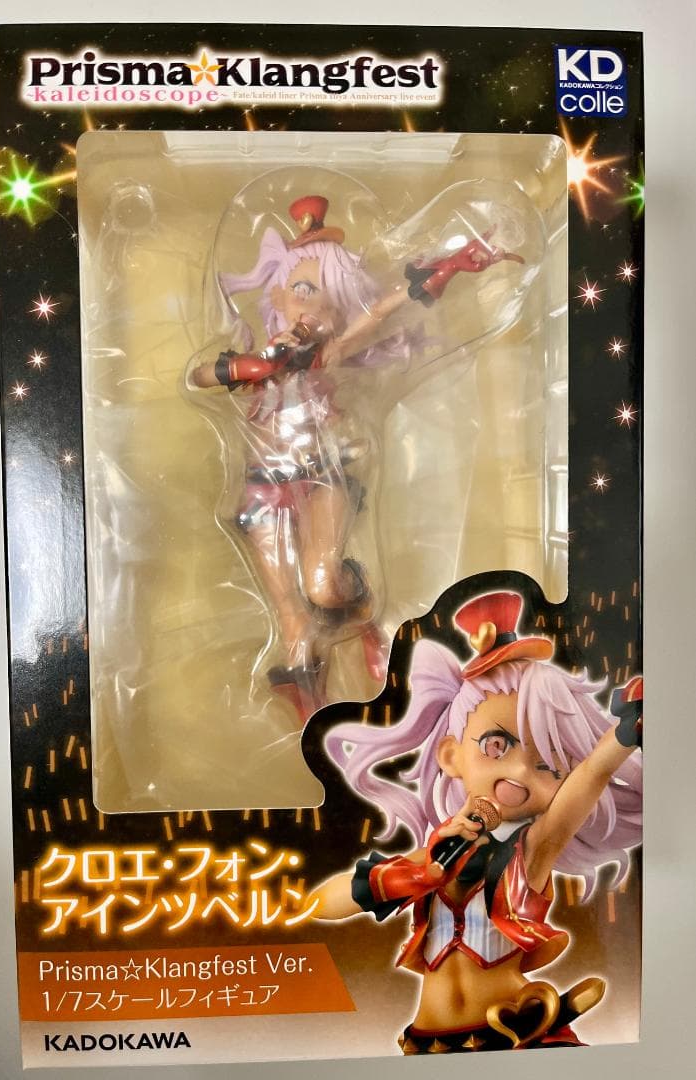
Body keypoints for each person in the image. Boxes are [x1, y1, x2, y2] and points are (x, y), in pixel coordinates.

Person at [187, 195, 520, 721]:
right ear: (277, 293)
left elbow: (383, 309)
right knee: (293, 620)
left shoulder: (325, 354)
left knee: (323, 585)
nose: (312, 309)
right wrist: (244, 368)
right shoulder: (257, 355)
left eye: (327, 299)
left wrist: (451, 265)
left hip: (320, 473)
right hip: (263, 483)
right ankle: (310, 714)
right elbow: (198, 376)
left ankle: (364, 620)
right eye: (302, 291)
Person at [312, 590, 643, 1052]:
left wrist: (626, 732)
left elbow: (591, 775)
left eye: (548, 764)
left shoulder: (532, 851)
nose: (519, 773)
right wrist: (417, 874)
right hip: (428, 1041)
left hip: (517, 1031)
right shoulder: (436, 851)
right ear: (451, 755)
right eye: (496, 746)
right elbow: (320, 905)